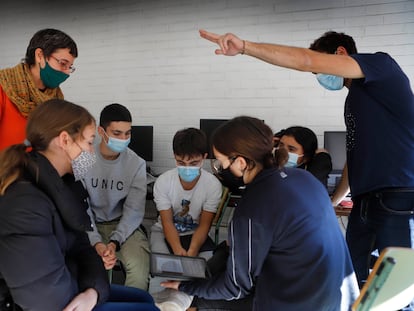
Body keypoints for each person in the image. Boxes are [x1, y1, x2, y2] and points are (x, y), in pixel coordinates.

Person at [199, 29, 414, 291]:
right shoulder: (354, 100)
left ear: (341, 53)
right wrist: (332, 202)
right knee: (350, 284)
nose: (319, 77)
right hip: (364, 201)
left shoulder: (381, 65)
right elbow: (355, 156)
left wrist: (244, 46)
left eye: (320, 70)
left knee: (398, 287)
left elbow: (306, 60)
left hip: (398, 194)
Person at [161, 116, 359, 310]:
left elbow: (235, 288)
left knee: (194, 297)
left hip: (298, 302)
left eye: (221, 162)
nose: (220, 169)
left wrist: (186, 286)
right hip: (344, 298)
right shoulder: (303, 178)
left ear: (240, 162)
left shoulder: (251, 208)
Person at [0, 99, 159, 311]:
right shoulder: (24, 205)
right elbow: (47, 298)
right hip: (54, 301)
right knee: (149, 309)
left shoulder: (62, 185)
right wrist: (90, 294)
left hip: (73, 282)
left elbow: (83, 248)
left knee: (144, 299)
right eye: (88, 142)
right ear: (65, 140)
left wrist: (93, 292)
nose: (92, 153)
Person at [83, 103, 150, 291]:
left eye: (128, 133)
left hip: (122, 226)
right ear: (101, 132)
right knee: (81, 266)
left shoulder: (137, 163)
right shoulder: (83, 159)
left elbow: (134, 210)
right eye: (117, 133)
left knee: (139, 265)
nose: (123, 138)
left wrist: (114, 241)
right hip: (88, 224)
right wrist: (96, 241)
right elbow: (80, 206)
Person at [149, 128, 222, 297]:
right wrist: (177, 249)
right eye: (181, 163)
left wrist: (192, 252)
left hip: (196, 233)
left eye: (194, 163)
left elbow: (204, 225)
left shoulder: (212, 185)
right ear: (175, 156)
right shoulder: (163, 182)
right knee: (162, 271)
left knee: (203, 270)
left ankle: (186, 304)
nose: (187, 168)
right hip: (163, 232)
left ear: (204, 157)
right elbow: (166, 222)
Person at [0, 28, 78, 151]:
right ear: (40, 56)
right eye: (63, 63)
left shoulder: (57, 99)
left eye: (70, 67)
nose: (67, 72)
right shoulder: (4, 87)